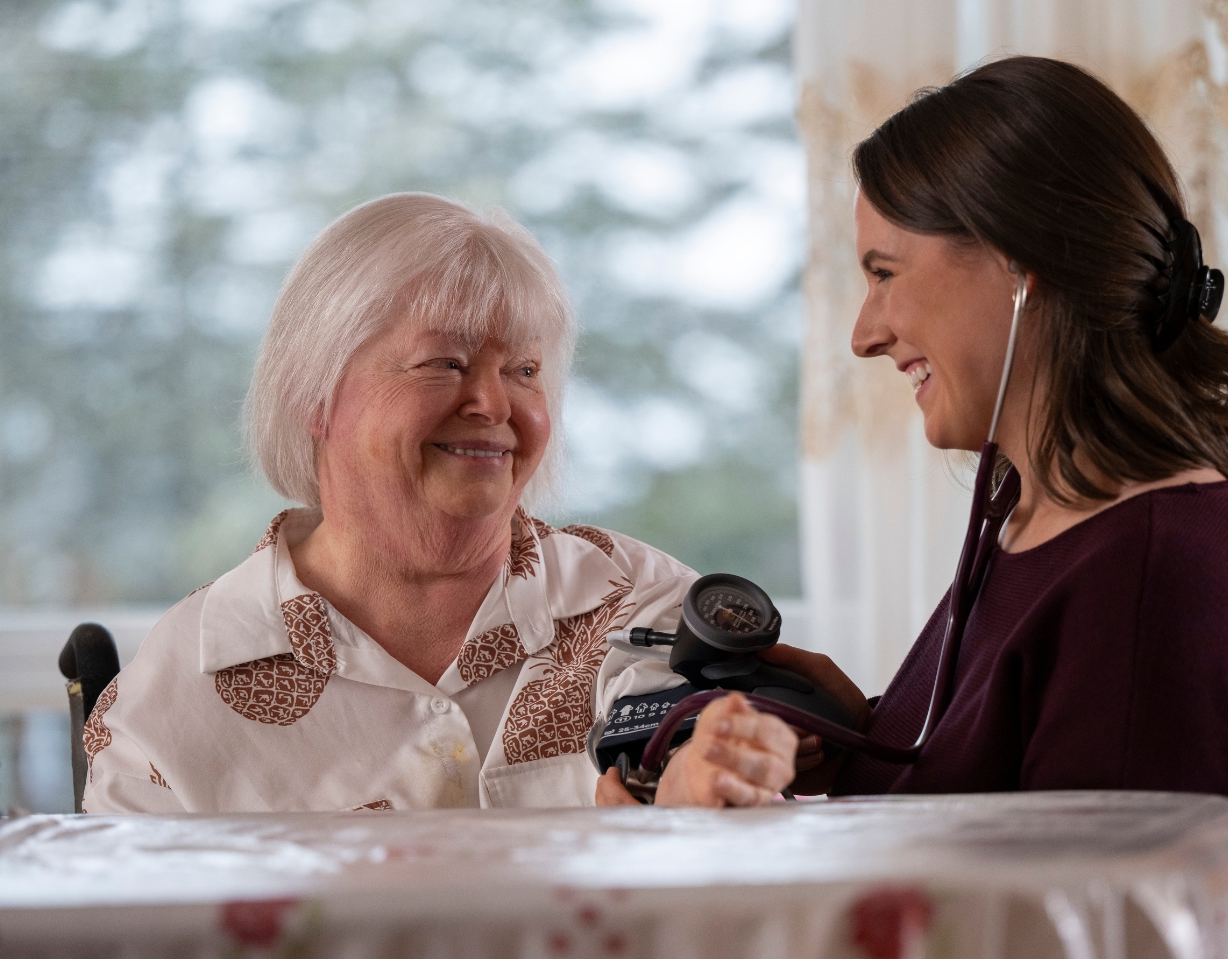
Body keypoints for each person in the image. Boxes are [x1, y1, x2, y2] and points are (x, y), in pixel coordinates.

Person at [679, 56, 1228, 928]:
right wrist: (859, 730)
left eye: (884, 272)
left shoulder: (1145, 577)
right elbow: (1006, 823)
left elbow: (1086, 939)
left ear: (1020, 261)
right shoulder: (1037, 522)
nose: (864, 334)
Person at [83, 193, 797, 813]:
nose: (493, 403)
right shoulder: (177, 691)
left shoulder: (640, 607)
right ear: (312, 396)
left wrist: (711, 787)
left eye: (523, 370)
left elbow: (709, 778)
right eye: (444, 363)